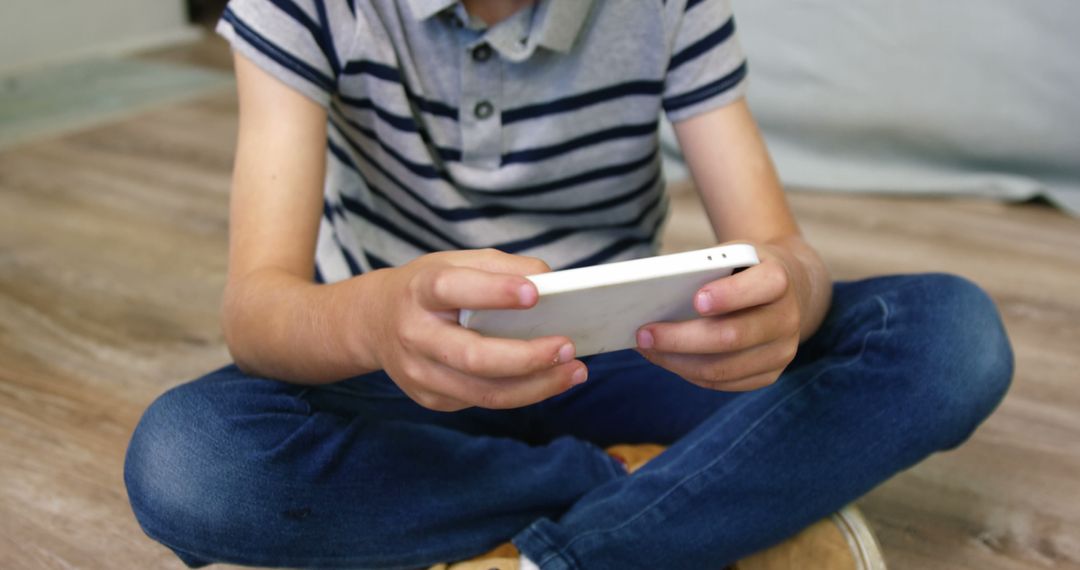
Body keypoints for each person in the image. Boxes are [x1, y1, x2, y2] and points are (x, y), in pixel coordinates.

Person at [123, 1, 1014, 568]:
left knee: (949, 334)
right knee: (188, 457)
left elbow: (778, 246)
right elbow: (259, 310)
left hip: (631, 351)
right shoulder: (301, 9)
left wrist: (786, 288)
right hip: (404, 370)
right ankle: (683, 503)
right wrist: (376, 321)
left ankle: (548, 553)